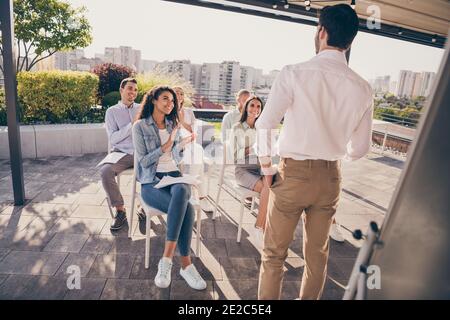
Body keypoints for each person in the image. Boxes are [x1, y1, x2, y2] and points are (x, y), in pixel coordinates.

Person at [256, 4, 373, 300]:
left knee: (274, 256)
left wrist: (268, 168)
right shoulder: (363, 88)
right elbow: (360, 148)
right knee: (318, 257)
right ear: (350, 41)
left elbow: (266, 123)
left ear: (321, 32)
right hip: (330, 178)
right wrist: (334, 154)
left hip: (292, 174)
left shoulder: (295, 73)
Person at [132, 86, 207, 291]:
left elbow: (175, 157)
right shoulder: (140, 127)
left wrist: (178, 146)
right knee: (188, 208)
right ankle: (185, 264)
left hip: (173, 176)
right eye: (165, 99)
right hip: (151, 182)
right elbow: (144, 162)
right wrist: (165, 146)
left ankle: (166, 260)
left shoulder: (172, 124)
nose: (170, 103)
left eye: (172, 101)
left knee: (183, 189)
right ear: (154, 100)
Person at [230, 96, 273, 243]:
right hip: (243, 170)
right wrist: (253, 148)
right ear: (246, 107)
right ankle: (260, 227)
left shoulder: (262, 129)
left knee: (273, 186)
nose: (255, 109)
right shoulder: (238, 127)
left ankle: (263, 227)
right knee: (268, 189)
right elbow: (235, 157)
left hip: (260, 168)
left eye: (258, 107)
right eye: (252, 105)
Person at [100, 77, 140, 231]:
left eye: (135, 90)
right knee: (105, 171)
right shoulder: (112, 112)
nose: (133, 92)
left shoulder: (141, 108)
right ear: (121, 90)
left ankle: (144, 205)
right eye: (130, 88)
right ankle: (120, 210)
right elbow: (114, 138)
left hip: (140, 152)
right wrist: (132, 124)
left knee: (156, 167)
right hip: (121, 153)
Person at [173, 86, 214, 213]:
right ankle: (201, 197)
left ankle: (191, 193)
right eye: (176, 93)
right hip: (175, 144)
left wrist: (181, 121)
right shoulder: (167, 110)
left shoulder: (189, 112)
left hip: (189, 142)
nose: (179, 95)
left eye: (181, 93)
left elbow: (193, 132)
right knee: (199, 157)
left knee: (196, 152)